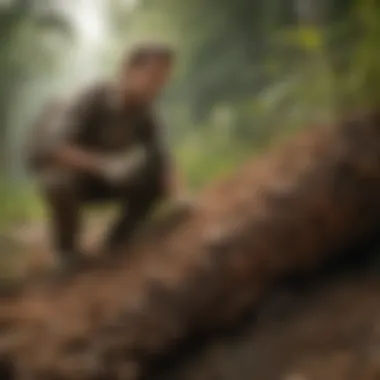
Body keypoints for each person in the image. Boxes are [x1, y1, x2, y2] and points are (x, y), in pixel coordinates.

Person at [24, 42, 190, 272]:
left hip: (110, 180)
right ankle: (67, 252)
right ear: (128, 70)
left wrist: (180, 197)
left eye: (163, 79)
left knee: (154, 176)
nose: (157, 86)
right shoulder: (91, 97)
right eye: (152, 77)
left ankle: (119, 242)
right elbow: (53, 147)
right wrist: (102, 165)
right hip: (78, 181)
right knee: (57, 180)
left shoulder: (145, 111)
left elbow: (163, 157)